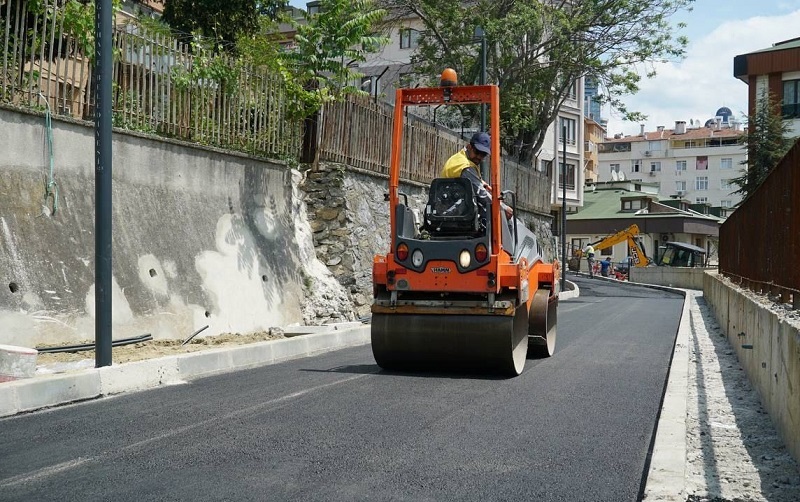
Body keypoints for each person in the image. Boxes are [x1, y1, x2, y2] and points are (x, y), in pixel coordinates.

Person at [442, 132, 514, 221]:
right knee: (503, 218)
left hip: (449, 207)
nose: (479, 157)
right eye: (477, 152)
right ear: (469, 147)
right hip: (458, 211)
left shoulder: (457, 159)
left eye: (483, 154)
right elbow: (482, 195)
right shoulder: (466, 166)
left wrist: (482, 182)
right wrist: (503, 207)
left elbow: (471, 182)